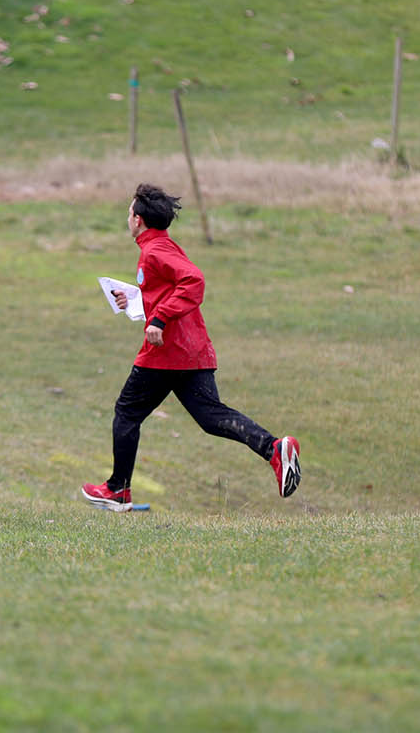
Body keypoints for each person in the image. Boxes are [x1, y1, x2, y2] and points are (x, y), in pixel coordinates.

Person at [81, 184, 300, 511]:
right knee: (211, 418)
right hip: (191, 350)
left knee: (127, 412)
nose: (127, 218)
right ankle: (275, 449)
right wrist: (139, 302)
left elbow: (193, 281)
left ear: (138, 220)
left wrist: (158, 320)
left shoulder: (155, 251)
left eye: (129, 213)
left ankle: (117, 489)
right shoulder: (162, 246)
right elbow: (168, 288)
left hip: (166, 353)